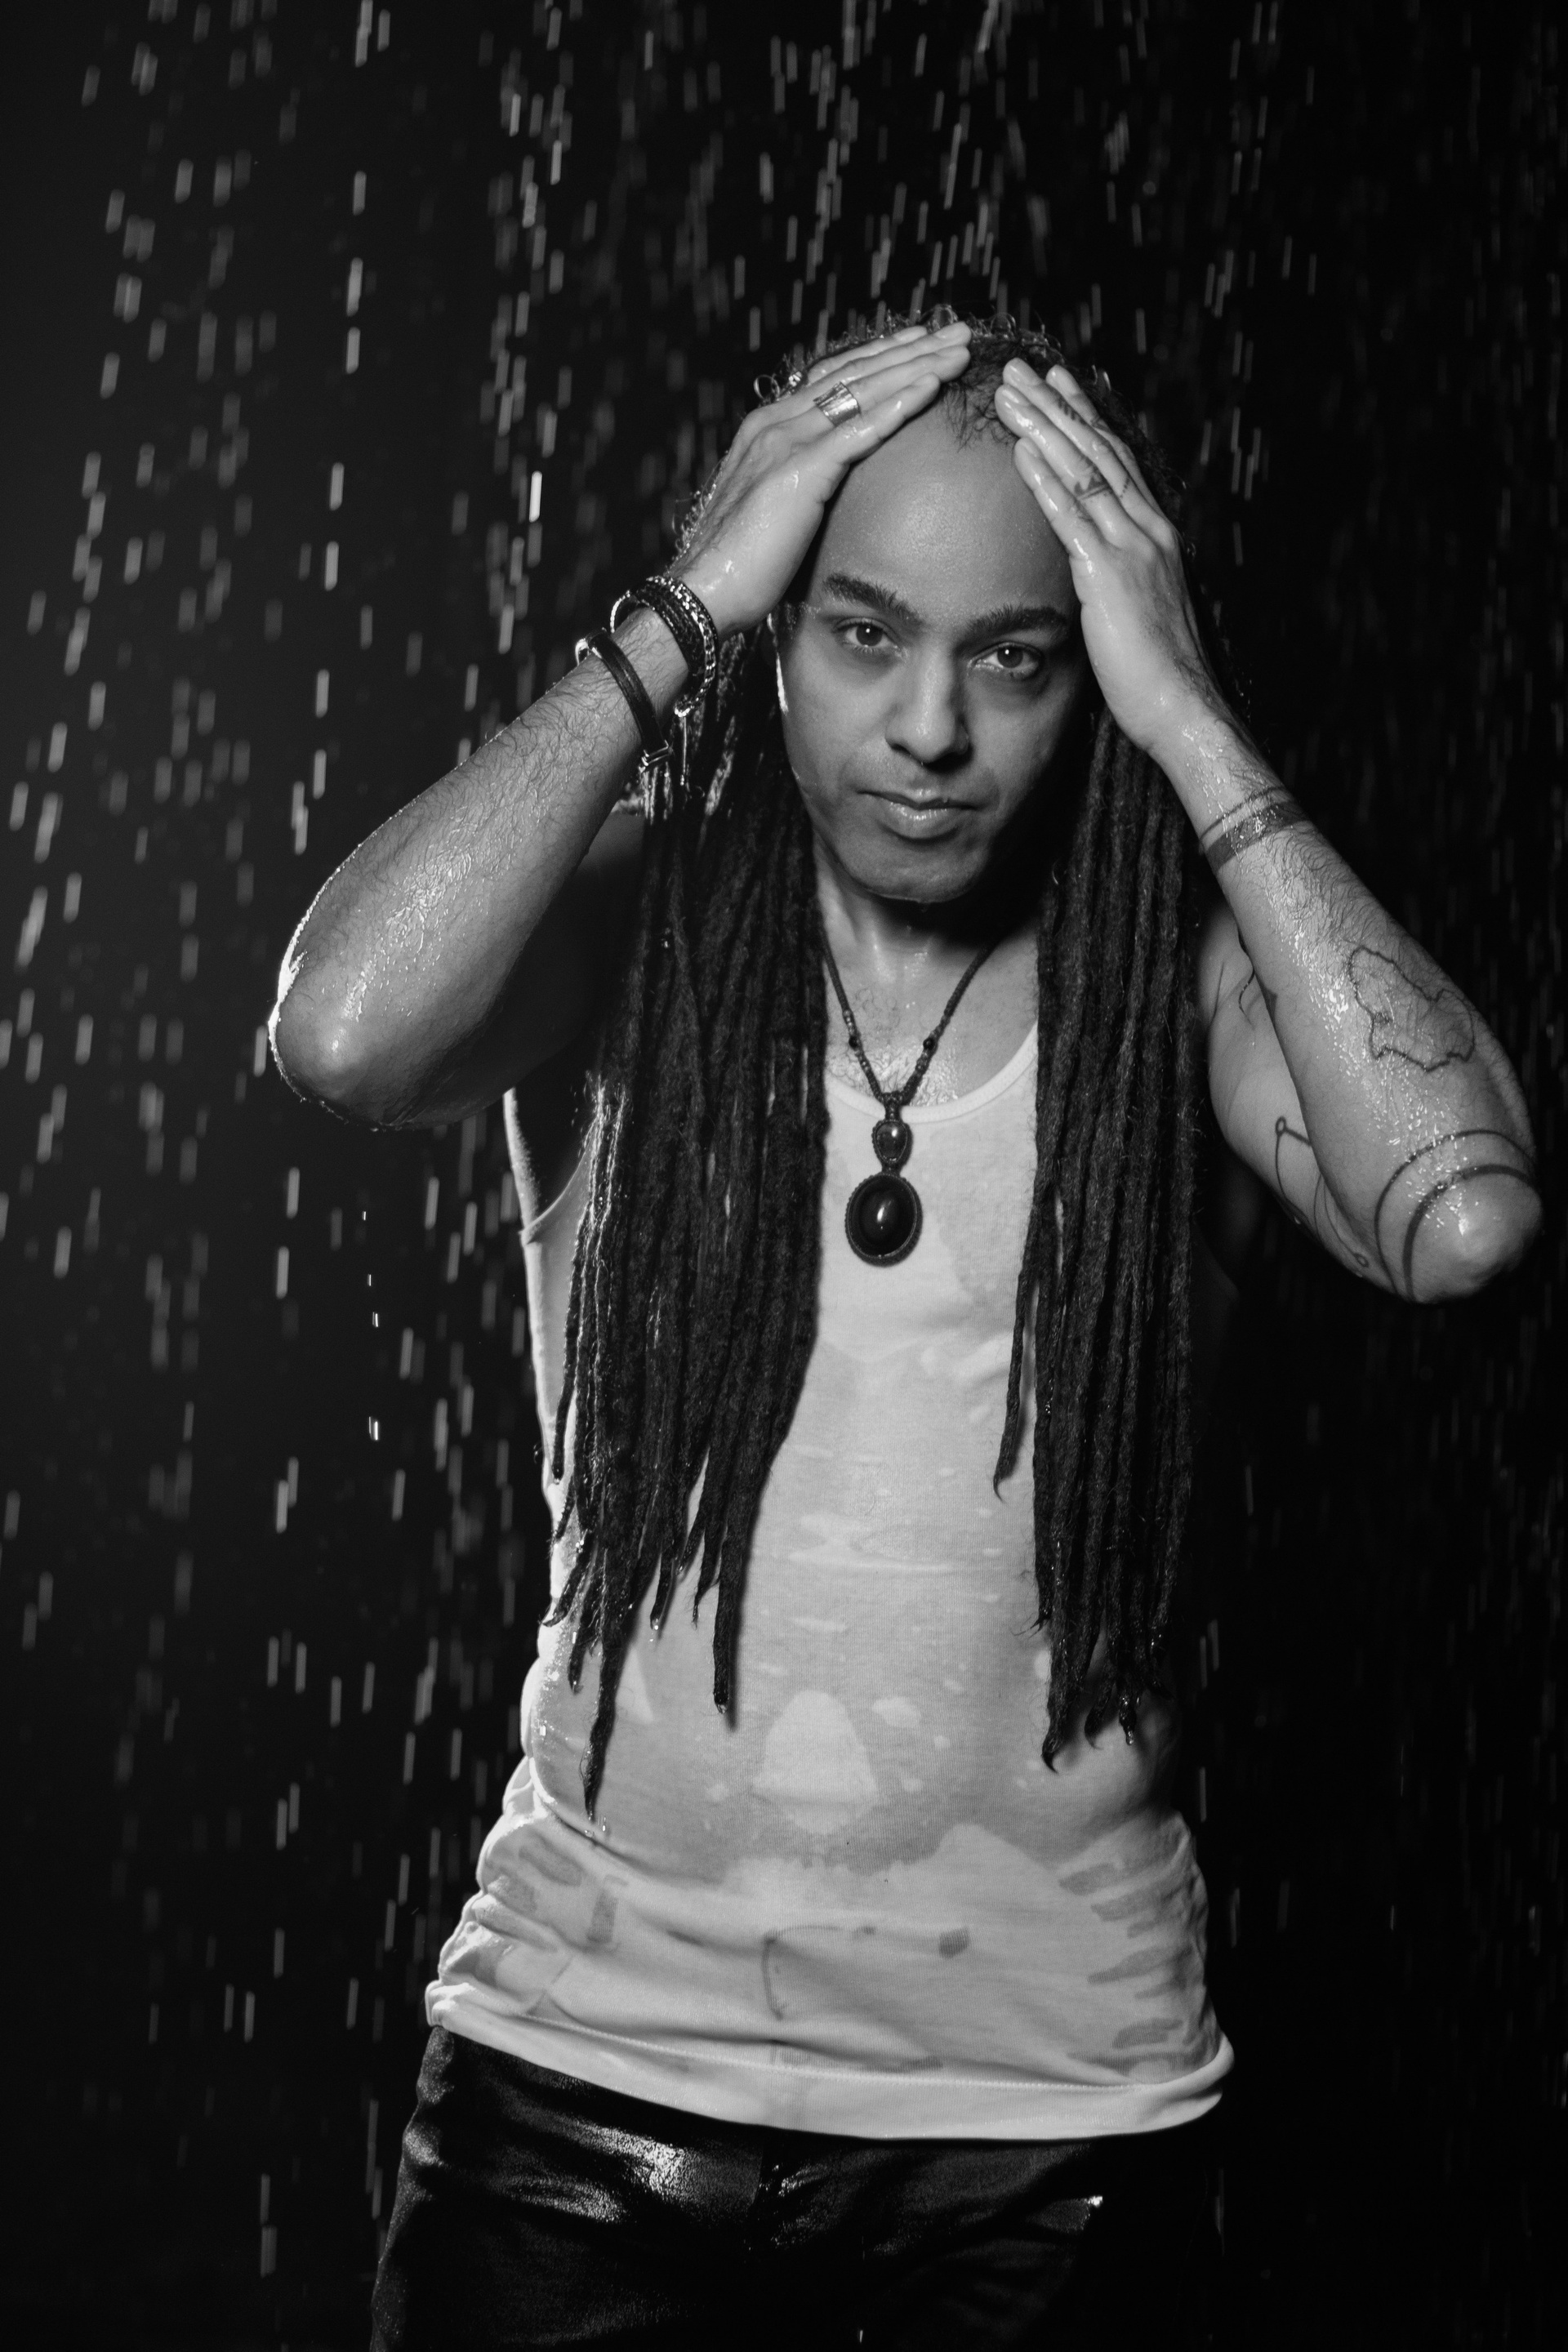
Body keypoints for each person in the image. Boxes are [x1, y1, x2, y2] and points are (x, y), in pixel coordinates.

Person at [272, 314, 1541, 2347]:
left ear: (1090, 664)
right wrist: (682, 609)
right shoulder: (625, 920)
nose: (932, 729)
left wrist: (1196, 724)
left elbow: (1467, 1221)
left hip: (1053, 2149)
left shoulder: (1188, 987)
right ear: (783, 629)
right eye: (862, 634)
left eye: (1016, 659)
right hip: (577, 2106)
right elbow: (340, 1037)